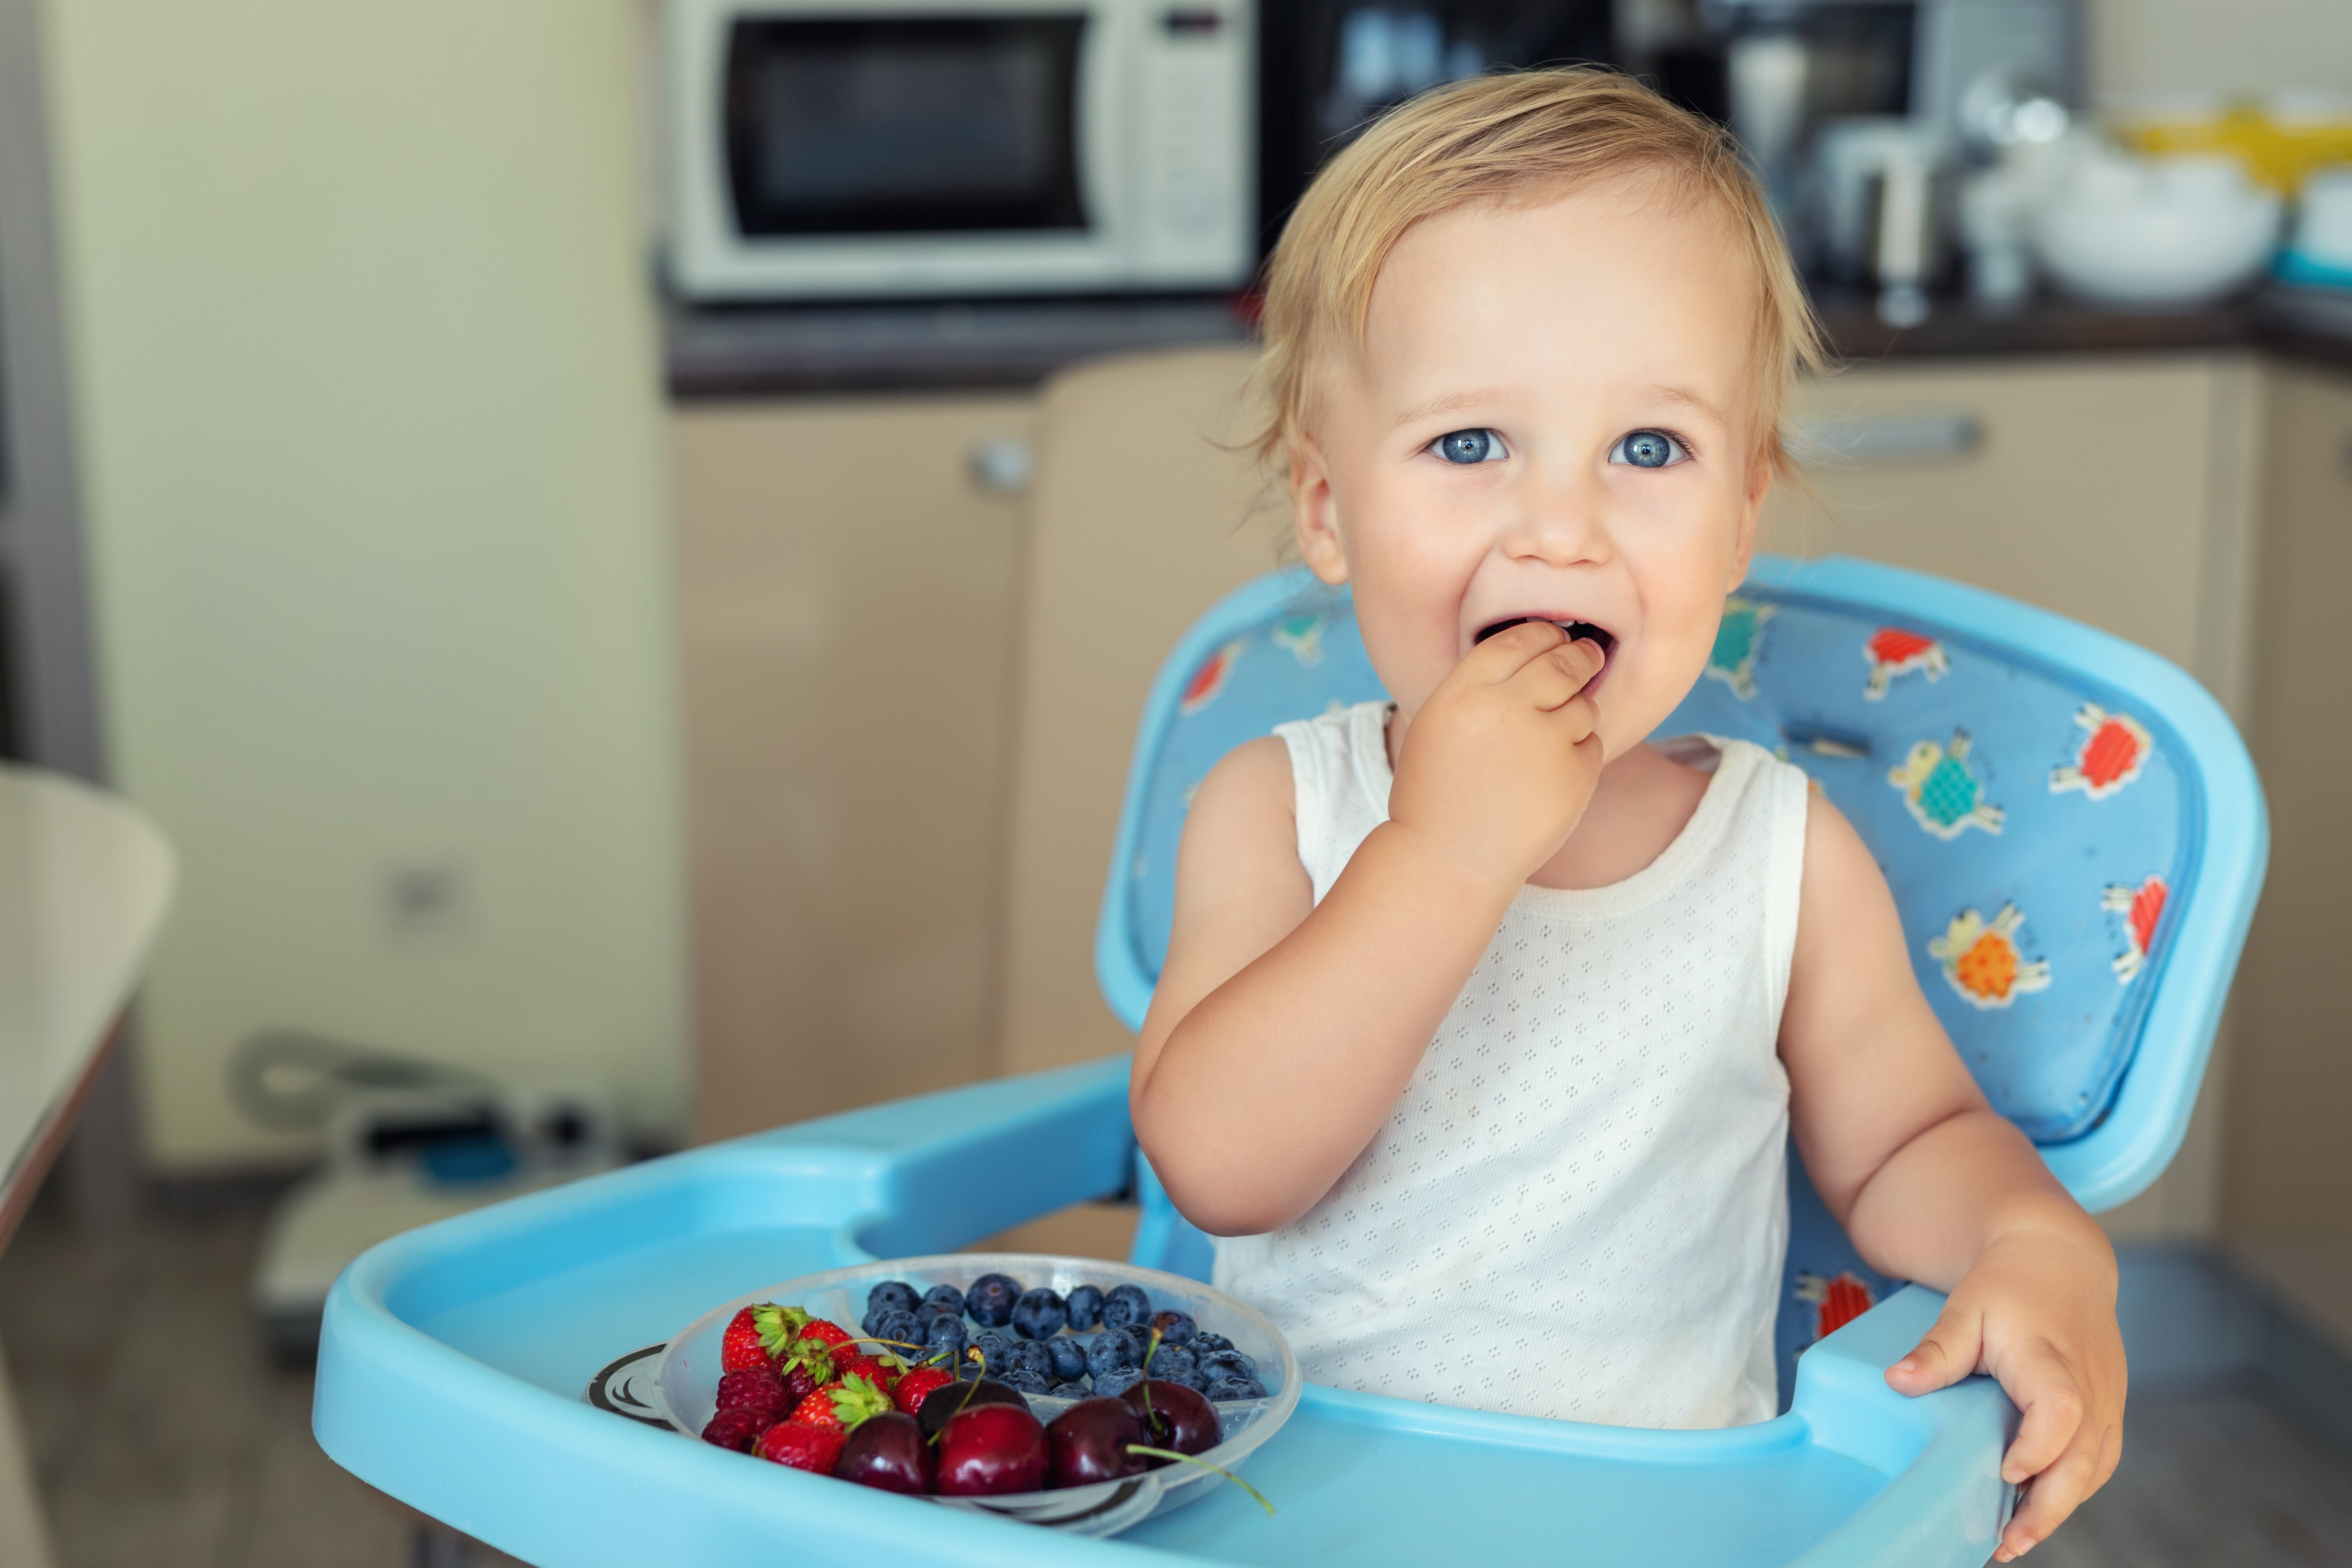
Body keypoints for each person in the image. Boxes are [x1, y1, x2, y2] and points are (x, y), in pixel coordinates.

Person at [1128, 68, 2121, 1561]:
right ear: (1327, 512)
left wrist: (2038, 1246)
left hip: (1670, 1534)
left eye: (1649, 451)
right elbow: (1221, 1162)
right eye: (1471, 446)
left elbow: (1911, 1135)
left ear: (1739, 516)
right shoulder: (1281, 807)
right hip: (1294, 1519)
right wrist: (1445, 852)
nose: (1562, 527)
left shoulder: (1779, 853)